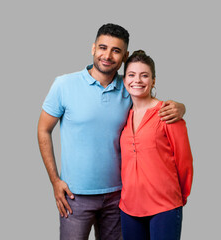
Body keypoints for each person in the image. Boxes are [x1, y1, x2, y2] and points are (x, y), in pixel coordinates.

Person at [37, 23, 186, 240]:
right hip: (75, 196)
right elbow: (43, 130)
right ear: (93, 48)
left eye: (116, 51)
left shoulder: (128, 88)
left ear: (124, 56)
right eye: (103, 48)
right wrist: (54, 180)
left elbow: (151, 104)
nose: (107, 55)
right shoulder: (63, 85)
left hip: (119, 196)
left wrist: (181, 107)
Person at [119, 50, 193, 240]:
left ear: (153, 81)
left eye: (145, 75)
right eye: (132, 75)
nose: (138, 80)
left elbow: (184, 161)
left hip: (165, 206)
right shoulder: (121, 116)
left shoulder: (167, 113)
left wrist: (178, 197)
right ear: (124, 79)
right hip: (129, 208)